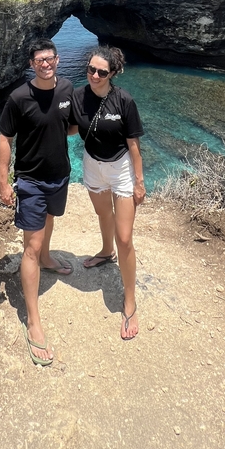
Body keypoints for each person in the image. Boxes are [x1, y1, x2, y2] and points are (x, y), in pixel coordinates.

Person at [0, 38, 74, 366]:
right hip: (30, 181)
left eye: (50, 58)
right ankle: (33, 321)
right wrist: (3, 181)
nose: (46, 64)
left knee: (50, 220)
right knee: (30, 245)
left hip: (60, 175)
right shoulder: (19, 97)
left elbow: (71, 126)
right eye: (39, 60)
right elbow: (5, 137)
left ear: (57, 60)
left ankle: (45, 258)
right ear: (32, 64)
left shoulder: (67, 89)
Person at [69, 45, 146, 340]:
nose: (95, 75)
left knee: (125, 237)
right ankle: (105, 251)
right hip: (92, 165)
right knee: (103, 214)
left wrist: (139, 182)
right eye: (91, 69)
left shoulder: (124, 100)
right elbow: (73, 127)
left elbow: (134, 145)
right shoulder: (78, 96)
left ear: (113, 73)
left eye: (102, 72)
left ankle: (130, 302)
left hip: (121, 168)